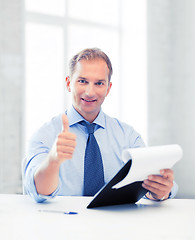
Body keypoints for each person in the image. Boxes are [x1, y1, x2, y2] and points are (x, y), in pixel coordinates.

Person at [23, 48, 177, 203]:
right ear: (69, 84)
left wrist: (159, 191)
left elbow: (146, 182)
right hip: (64, 223)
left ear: (108, 88)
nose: (90, 92)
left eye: (99, 83)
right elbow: (39, 192)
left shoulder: (128, 136)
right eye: (82, 81)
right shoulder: (45, 135)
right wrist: (53, 161)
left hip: (115, 223)